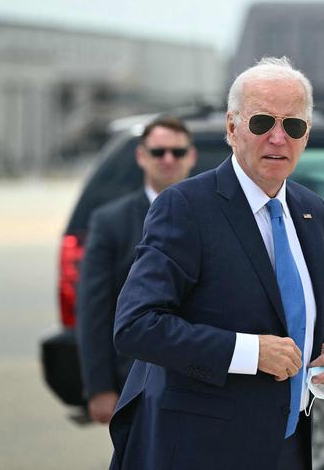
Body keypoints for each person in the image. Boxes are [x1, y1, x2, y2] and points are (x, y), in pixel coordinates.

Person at [109, 56, 324, 470]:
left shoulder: (312, 211)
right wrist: (248, 351)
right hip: (200, 446)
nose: (278, 138)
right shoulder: (186, 207)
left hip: (289, 442)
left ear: (307, 135)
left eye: (292, 126)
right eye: (262, 123)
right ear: (232, 127)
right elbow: (136, 326)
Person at [76, 116, 197, 424]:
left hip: (203, 380)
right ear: (141, 156)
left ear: (191, 156)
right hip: (136, 381)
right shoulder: (110, 222)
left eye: (177, 152)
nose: (168, 159)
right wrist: (99, 387)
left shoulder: (217, 217)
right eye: (158, 152)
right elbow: (94, 310)